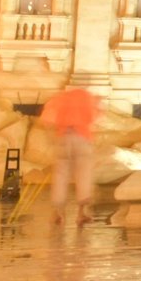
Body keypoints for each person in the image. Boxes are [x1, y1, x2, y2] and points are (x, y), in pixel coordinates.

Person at [40, 85, 99, 226]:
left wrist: (52, 136)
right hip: (82, 138)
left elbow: (47, 119)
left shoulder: (61, 98)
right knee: (83, 174)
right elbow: (94, 118)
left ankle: (58, 212)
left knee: (60, 175)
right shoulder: (87, 97)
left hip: (63, 138)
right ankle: (81, 213)